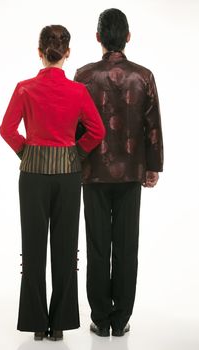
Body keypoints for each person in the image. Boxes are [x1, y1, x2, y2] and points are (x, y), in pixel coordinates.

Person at [0, 25, 105, 341]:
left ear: (39, 52)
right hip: (68, 176)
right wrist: (75, 154)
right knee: (64, 249)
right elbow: (96, 131)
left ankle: (34, 323)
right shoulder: (77, 91)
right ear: (67, 52)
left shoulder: (24, 88)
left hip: (32, 177)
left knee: (32, 250)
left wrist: (28, 152)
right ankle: (59, 324)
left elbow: (7, 129)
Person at [75, 9, 163, 337]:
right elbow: (152, 126)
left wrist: (73, 164)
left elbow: (75, 127)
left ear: (98, 37)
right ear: (128, 36)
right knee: (127, 246)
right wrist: (152, 167)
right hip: (130, 173)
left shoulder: (83, 76)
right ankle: (121, 318)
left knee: (97, 244)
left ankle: (100, 318)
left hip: (92, 172)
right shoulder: (143, 76)